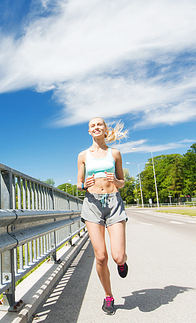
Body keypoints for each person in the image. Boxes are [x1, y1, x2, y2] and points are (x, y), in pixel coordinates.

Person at [77, 117, 128, 315]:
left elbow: (122, 182)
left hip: (114, 202)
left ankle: (123, 262)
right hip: (92, 205)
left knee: (117, 256)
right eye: (92, 125)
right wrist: (85, 185)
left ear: (105, 129)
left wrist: (115, 179)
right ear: (89, 131)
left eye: (100, 124)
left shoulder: (114, 153)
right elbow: (79, 184)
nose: (96, 127)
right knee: (100, 256)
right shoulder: (83, 155)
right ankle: (108, 296)